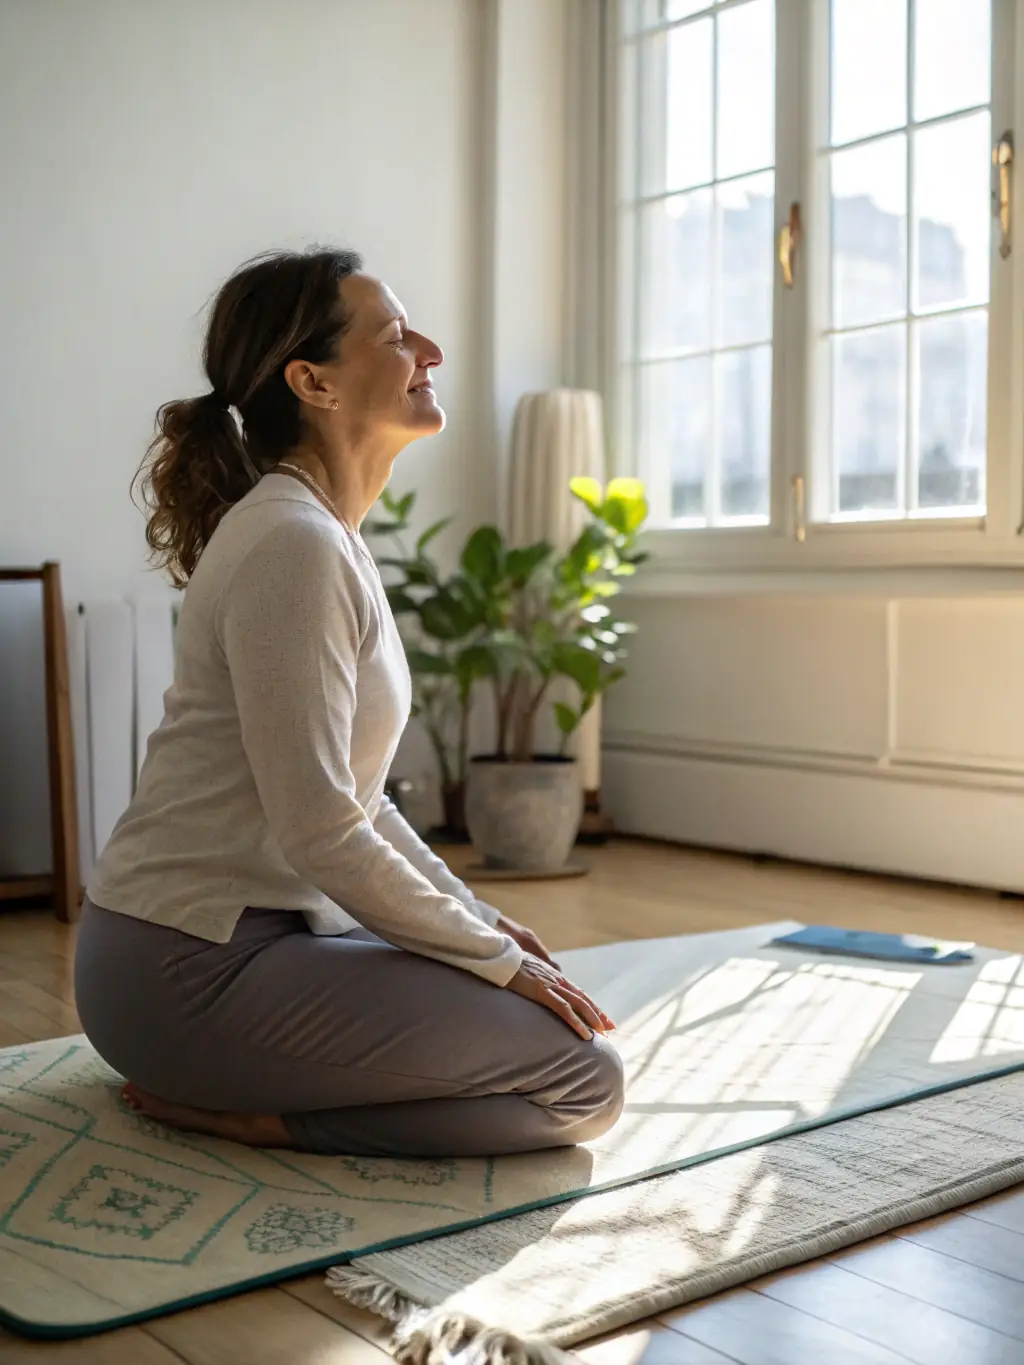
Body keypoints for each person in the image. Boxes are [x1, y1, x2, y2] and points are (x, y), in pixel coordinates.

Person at [74, 247, 624, 1158]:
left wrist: (481, 924)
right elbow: (322, 826)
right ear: (313, 382)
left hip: (249, 946)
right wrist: (487, 959)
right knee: (581, 1081)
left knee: (575, 1059)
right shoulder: (293, 544)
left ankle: (276, 1105)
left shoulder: (323, 536)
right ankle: (270, 1121)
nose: (431, 350)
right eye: (399, 335)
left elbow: (359, 800)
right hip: (185, 970)